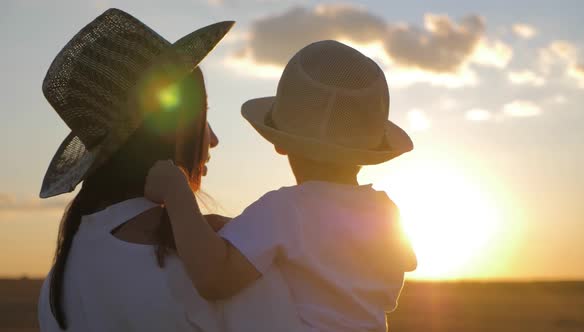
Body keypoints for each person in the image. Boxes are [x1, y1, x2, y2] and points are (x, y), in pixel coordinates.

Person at [37, 8, 300, 332]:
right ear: (169, 128)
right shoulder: (223, 268)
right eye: (202, 116)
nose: (213, 140)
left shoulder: (55, 287)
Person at [145, 40, 418, 332]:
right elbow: (398, 262)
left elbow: (214, 279)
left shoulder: (284, 209)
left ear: (279, 143)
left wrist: (178, 194)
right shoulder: (386, 212)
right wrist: (242, 230)